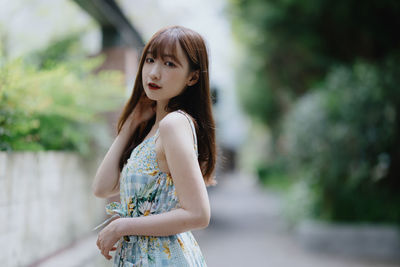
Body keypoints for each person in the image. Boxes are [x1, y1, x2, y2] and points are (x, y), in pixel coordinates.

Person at [92, 25, 217, 266]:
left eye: (169, 64)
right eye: (150, 60)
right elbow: (102, 187)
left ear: (193, 77)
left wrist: (122, 226)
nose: (154, 73)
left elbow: (199, 214)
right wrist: (130, 125)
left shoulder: (173, 124)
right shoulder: (153, 129)